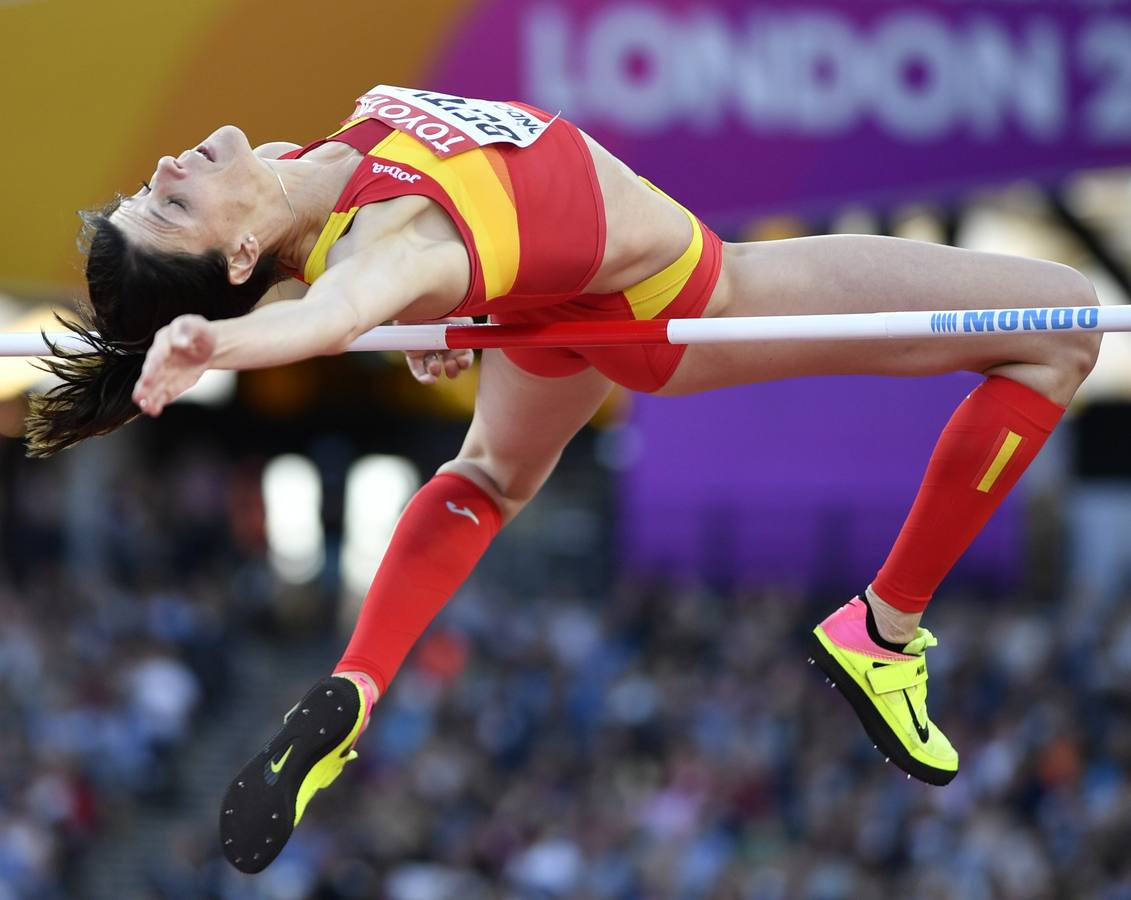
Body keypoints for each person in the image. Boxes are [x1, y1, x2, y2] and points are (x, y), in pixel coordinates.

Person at [26, 85, 1099, 874]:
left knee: (490, 476)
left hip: (553, 321)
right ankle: (885, 629)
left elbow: (354, 278)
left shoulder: (301, 176)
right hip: (685, 307)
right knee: (1059, 328)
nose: (161, 177)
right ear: (241, 252)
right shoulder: (394, 244)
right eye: (168, 211)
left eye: (141, 193)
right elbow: (331, 312)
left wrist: (450, 325)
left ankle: (356, 685)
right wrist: (221, 352)